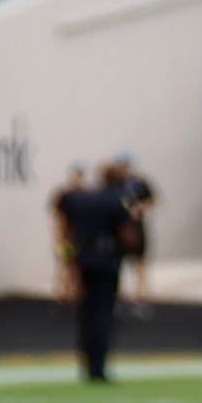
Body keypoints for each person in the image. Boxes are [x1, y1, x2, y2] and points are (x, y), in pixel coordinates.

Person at [53, 164, 130, 382]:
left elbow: (65, 229)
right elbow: (127, 235)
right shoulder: (117, 201)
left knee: (86, 311)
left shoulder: (80, 200)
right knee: (103, 312)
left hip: (83, 259)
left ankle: (86, 361)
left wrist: (67, 258)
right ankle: (99, 365)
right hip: (107, 262)